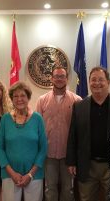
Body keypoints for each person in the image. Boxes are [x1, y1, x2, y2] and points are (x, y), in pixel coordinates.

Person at [66, 67, 110, 201]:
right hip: (87, 165)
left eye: (101, 80)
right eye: (93, 80)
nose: (97, 83)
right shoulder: (79, 106)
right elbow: (73, 136)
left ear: (108, 82)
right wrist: (72, 162)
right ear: (89, 82)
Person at [36, 66, 81, 201]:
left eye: (62, 76)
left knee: (68, 189)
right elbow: (37, 128)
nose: (59, 79)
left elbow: (80, 129)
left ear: (67, 79)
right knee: (50, 188)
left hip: (69, 155)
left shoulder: (77, 100)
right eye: (56, 76)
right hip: (48, 154)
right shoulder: (42, 100)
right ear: (51, 78)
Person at [0, 81, 47, 201]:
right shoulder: (5, 119)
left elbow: (43, 148)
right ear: (12, 99)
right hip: (9, 174)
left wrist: (30, 174)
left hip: (34, 175)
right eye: (16, 96)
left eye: (23, 95)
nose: (19, 99)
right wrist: (12, 173)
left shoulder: (37, 118)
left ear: (28, 97)